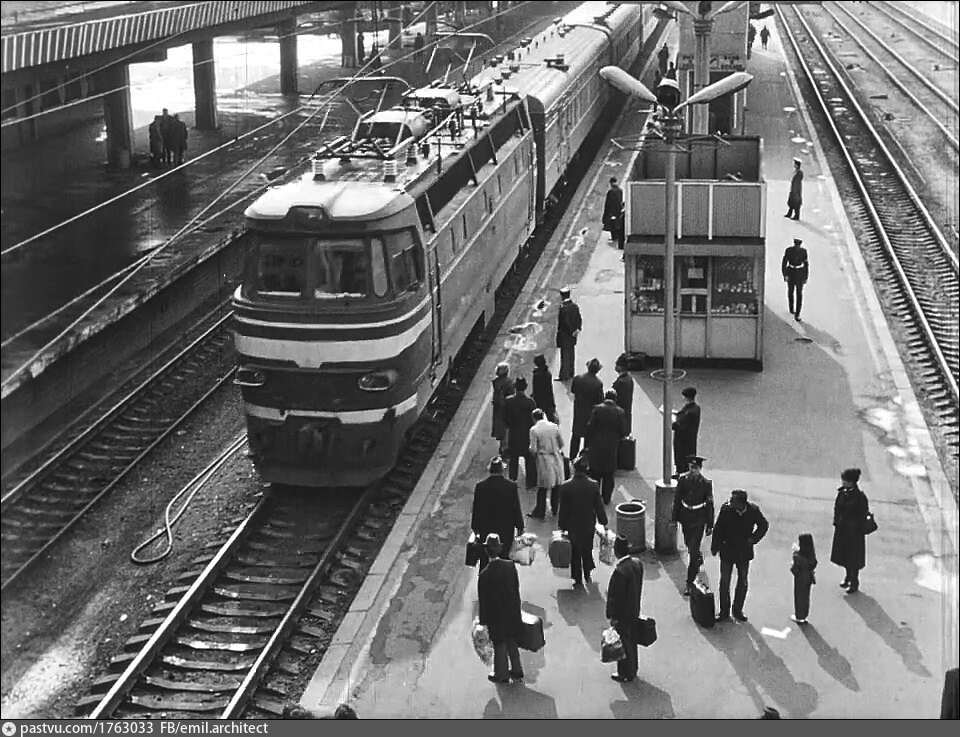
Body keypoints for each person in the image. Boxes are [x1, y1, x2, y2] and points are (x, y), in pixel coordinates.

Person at [711, 489, 769, 622]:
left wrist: (753, 539)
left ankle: (737, 610)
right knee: (724, 582)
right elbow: (718, 529)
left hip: (743, 552)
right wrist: (715, 547)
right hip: (727, 549)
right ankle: (724, 611)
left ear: (741, 503)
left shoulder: (753, 511)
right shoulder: (726, 510)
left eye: (733, 500)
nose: (730, 502)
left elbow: (763, 525)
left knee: (742, 581)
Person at [477, 533, 525, 683]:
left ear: (486, 551)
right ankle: (517, 670)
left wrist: (483, 621)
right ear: (499, 549)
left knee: (499, 644)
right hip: (512, 611)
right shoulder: (510, 566)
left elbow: (483, 601)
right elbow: (516, 589)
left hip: (496, 616)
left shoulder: (484, 575)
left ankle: (501, 674)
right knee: (512, 641)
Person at [557, 455, 608, 586]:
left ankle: (577, 577)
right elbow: (598, 506)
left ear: (574, 469)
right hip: (588, 523)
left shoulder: (566, 486)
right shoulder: (593, 485)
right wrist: (603, 521)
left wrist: (562, 525)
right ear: (587, 468)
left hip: (572, 525)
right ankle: (587, 572)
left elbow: (563, 509)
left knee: (575, 551)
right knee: (587, 548)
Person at [672, 455, 715, 595]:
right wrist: (674, 518)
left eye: (696, 468)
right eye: (691, 467)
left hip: (698, 519)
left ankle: (690, 582)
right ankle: (697, 557)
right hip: (685, 517)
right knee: (688, 543)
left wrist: (710, 524)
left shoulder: (705, 484)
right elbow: (677, 499)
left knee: (693, 550)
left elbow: (710, 505)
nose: (693, 470)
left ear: (700, 469)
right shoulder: (683, 480)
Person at [471, 456, 524, 569]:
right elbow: (516, 508)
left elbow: (477, 509)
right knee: (505, 558)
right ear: (502, 469)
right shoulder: (511, 486)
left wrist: (475, 528)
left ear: (490, 470)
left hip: (486, 529)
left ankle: (485, 576)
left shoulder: (481, 486)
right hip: (506, 530)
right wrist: (520, 526)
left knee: (486, 559)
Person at [605, 535, 643, 683]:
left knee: (623, 643)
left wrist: (612, 616)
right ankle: (633, 668)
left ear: (616, 551)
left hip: (622, 614)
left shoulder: (620, 571)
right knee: (632, 641)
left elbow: (616, 598)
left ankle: (625, 672)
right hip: (634, 609)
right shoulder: (637, 564)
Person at [830, 468, 871, 594]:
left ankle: (854, 582)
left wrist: (854, 525)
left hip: (854, 533)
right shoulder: (842, 493)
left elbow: (862, 513)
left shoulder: (860, 497)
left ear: (852, 482)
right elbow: (837, 508)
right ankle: (848, 577)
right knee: (845, 556)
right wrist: (837, 521)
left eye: (845, 480)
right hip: (843, 531)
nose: (843, 482)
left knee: (853, 559)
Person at [586, 390, 628, 505]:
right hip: (611, 447)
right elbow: (623, 431)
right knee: (609, 474)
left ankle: (594, 497)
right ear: (615, 399)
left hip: (596, 445)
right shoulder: (620, 412)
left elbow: (590, 427)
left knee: (595, 473)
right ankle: (606, 498)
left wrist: (588, 444)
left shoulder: (597, 409)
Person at [528, 409, 565, 519]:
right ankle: (555, 509)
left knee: (543, 486)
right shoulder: (554, 427)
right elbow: (561, 443)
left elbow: (533, 449)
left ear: (534, 418)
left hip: (543, 459)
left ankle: (540, 512)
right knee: (557, 484)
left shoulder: (534, 430)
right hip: (556, 456)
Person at [502, 377, 537, 489]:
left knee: (513, 459)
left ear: (515, 387)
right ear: (525, 387)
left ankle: (512, 481)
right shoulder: (530, 402)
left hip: (513, 435)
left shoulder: (508, 401)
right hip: (526, 435)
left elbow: (505, 419)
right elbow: (533, 420)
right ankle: (530, 483)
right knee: (529, 459)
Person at [570, 357, 603, 460]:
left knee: (575, 436)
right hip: (590, 414)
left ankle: (572, 457)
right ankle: (584, 459)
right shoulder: (598, 383)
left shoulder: (578, 378)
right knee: (588, 438)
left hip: (579, 411)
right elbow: (600, 400)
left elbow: (573, 390)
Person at [672, 387, 701, 477]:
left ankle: (681, 475)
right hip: (690, 440)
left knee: (681, 460)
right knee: (688, 459)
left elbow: (678, 426)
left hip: (682, 442)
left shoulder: (690, 412)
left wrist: (672, 420)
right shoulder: (695, 408)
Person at [555, 287, 582, 381]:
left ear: (562, 296)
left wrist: (570, 331)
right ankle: (571, 372)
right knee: (571, 354)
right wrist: (577, 329)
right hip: (573, 335)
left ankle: (564, 375)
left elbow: (565, 322)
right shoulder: (574, 306)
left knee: (565, 355)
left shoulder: (563, 308)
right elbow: (579, 318)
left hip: (565, 335)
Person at [790, 532, 817, 624]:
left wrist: (795, 553)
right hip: (809, 577)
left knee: (799, 597)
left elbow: (795, 569)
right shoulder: (811, 554)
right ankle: (804, 615)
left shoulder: (797, 556)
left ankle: (799, 616)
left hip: (800, 578)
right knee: (806, 597)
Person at [781, 237, 809, 322]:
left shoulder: (803, 252)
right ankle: (791, 308)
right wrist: (785, 274)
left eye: (798, 245)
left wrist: (805, 277)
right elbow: (784, 263)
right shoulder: (789, 250)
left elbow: (806, 264)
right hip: (791, 272)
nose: (797, 246)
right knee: (790, 291)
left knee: (799, 294)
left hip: (799, 273)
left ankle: (797, 314)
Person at [531, 354, 559, 425]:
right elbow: (549, 389)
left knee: (538, 419)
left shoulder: (536, 375)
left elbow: (535, 389)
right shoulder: (548, 373)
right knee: (551, 418)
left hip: (539, 399)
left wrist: (533, 397)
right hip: (548, 398)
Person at [491, 362, 512, 454]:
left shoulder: (496, 382)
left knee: (500, 427)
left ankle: (502, 446)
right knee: (507, 427)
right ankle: (505, 448)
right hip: (506, 408)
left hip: (497, 408)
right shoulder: (508, 382)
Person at [612, 356, 633, 435]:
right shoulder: (629, 379)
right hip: (626, 417)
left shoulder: (621, 382)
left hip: (619, 419)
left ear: (621, 367)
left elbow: (617, 400)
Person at [602, 177, 625, 250]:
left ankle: (614, 237)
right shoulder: (620, 190)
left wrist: (606, 213)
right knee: (617, 223)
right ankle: (617, 236)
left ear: (611, 183)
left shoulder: (610, 192)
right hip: (618, 210)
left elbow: (608, 203)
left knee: (612, 224)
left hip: (612, 211)